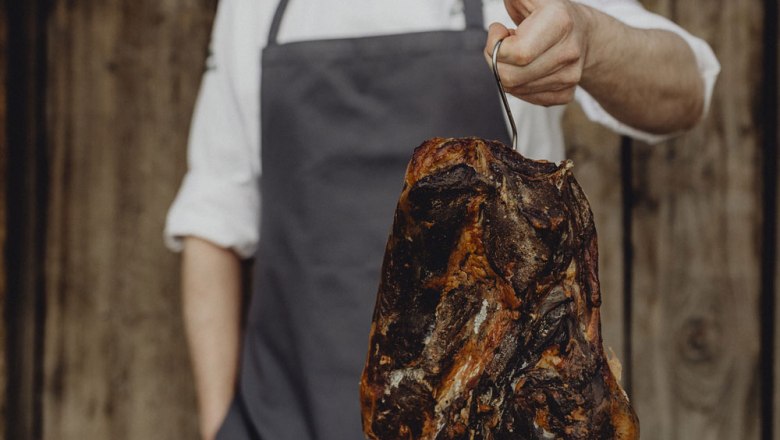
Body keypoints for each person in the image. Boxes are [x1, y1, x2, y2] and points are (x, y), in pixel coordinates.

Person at [165, 0, 719, 439]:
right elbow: (215, 220)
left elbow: (686, 87)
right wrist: (222, 426)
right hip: (287, 417)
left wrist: (591, 40)